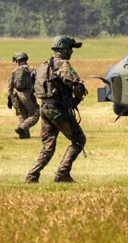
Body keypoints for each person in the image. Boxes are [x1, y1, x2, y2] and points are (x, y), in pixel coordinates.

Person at [25, 36, 87, 183]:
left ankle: (32, 176)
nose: (71, 51)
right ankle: (62, 173)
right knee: (79, 140)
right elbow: (76, 84)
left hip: (45, 108)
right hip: (57, 109)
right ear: (63, 49)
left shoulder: (43, 65)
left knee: (48, 146)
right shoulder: (62, 64)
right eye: (70, 48)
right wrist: (77, 97)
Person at [8, 52, 39, 139]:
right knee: (35, 114)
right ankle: (22, 128)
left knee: (22, 114)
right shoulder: (31, 68)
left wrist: (12, 99)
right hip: (27, 95)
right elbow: (38, 80)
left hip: (16, 95)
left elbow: (9, 87)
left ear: (18, 61)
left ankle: (23, 135)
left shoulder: (14, 71)